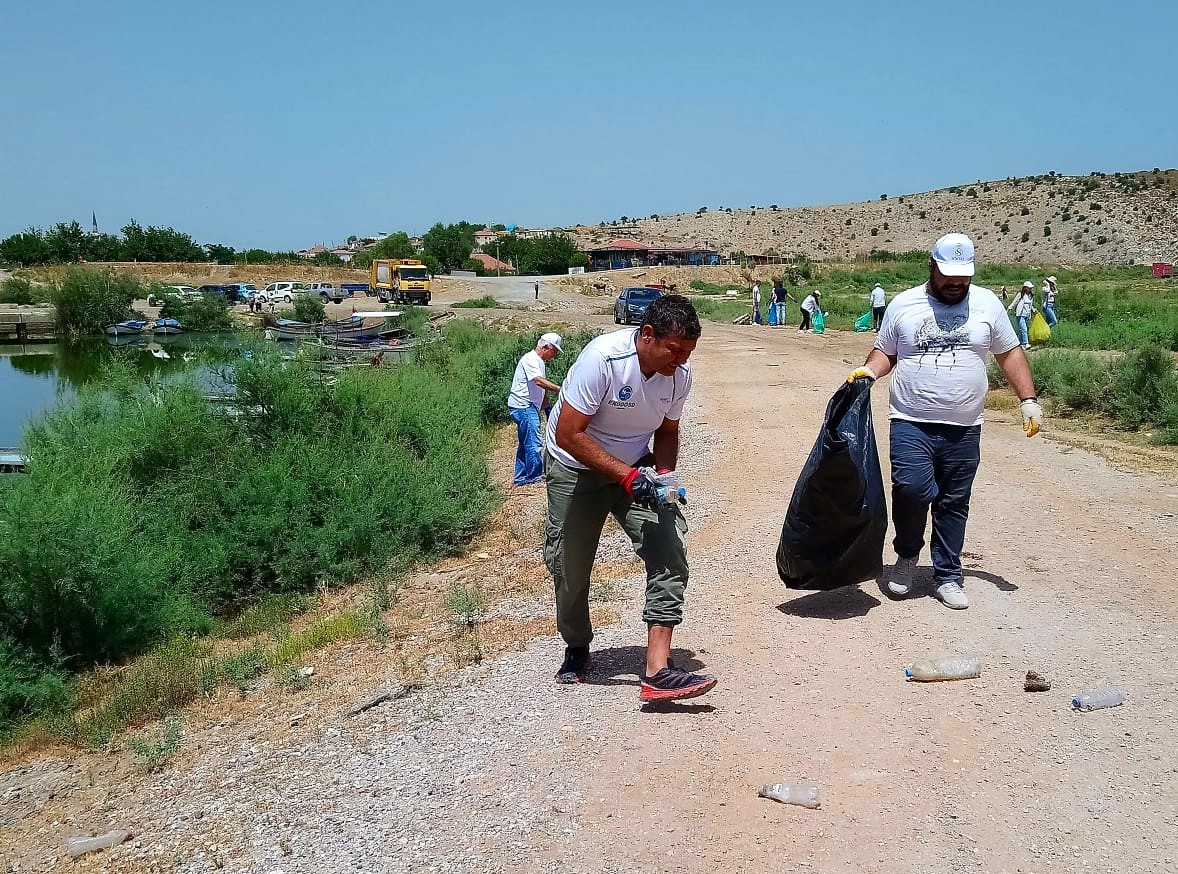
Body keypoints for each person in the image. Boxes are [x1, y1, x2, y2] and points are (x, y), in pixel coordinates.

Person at [847, 232, 1043, 610]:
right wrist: (869, 372)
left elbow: (1010, 353)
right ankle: (906, 555)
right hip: (910, 420)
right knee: (911, 489)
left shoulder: (987, 304)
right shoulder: (904, 304)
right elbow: (885, 352)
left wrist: (1028, 399)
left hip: (965, 427)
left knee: (954, 501)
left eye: (963, 276)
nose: (956, 283)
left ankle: (948, 575)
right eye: (948, 274)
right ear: (931, 267)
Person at [543, 294, 716, 702]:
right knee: (570, 563)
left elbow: (668, 432)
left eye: (688, 353)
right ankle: (577, 646)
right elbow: (570, 433)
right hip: (575, 465)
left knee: (668, 547)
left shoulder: (679, 375)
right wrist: (626, 476)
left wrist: (663, 479)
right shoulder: (603, 360)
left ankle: (658, 670)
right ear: (648, 335)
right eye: (675, 351)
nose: (681, 361)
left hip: (636, 466)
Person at [507, 333, 562, 485]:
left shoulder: (539, 362)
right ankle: (533, 478)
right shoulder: (531, 359)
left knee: (526, 442)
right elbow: (539, 382)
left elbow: (539, 389)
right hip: (524, 406)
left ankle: (521, 477)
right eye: (555, 351)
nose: (555, 355)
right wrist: (560, 389)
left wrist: (547, 408)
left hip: (528, 406)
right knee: (533, 442)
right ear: (546, 347)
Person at [1008, 281, 1036, 349]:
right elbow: (1015, 302)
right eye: (1029, 288)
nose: (1030, 289)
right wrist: (1010, 308)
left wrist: (1033, 309)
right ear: (1025, 288)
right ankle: (1026, 343)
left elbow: (1030, 304)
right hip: (1020, 315)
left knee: (1022, 330)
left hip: (1027, 315)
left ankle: (1018, 344)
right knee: (1024, 329)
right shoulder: (1020, 294)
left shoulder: (1030, 296)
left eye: (1030, 288)